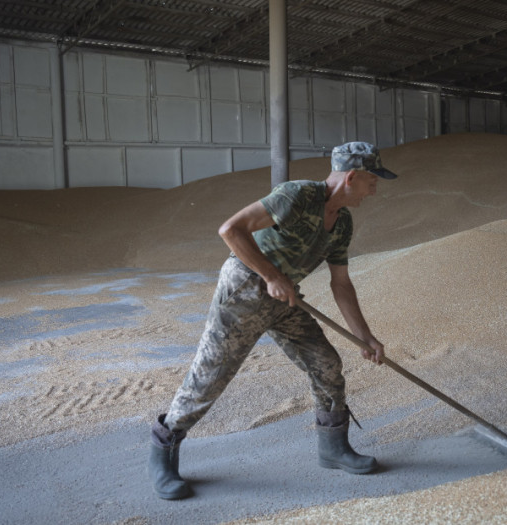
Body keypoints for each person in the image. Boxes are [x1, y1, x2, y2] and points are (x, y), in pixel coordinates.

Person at [147, 142, 398, 500]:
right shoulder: (297, 195)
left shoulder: (342, 223)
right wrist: (270, 275)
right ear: (352, 176)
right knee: (208, 379)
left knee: (326, 364)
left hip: (285, 299)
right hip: (244, 292)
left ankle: (333, 449)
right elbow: (231, 230)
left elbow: (340, 283)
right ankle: (162, 453)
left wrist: (365, 337)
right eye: (372, 180)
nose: (375, 189)